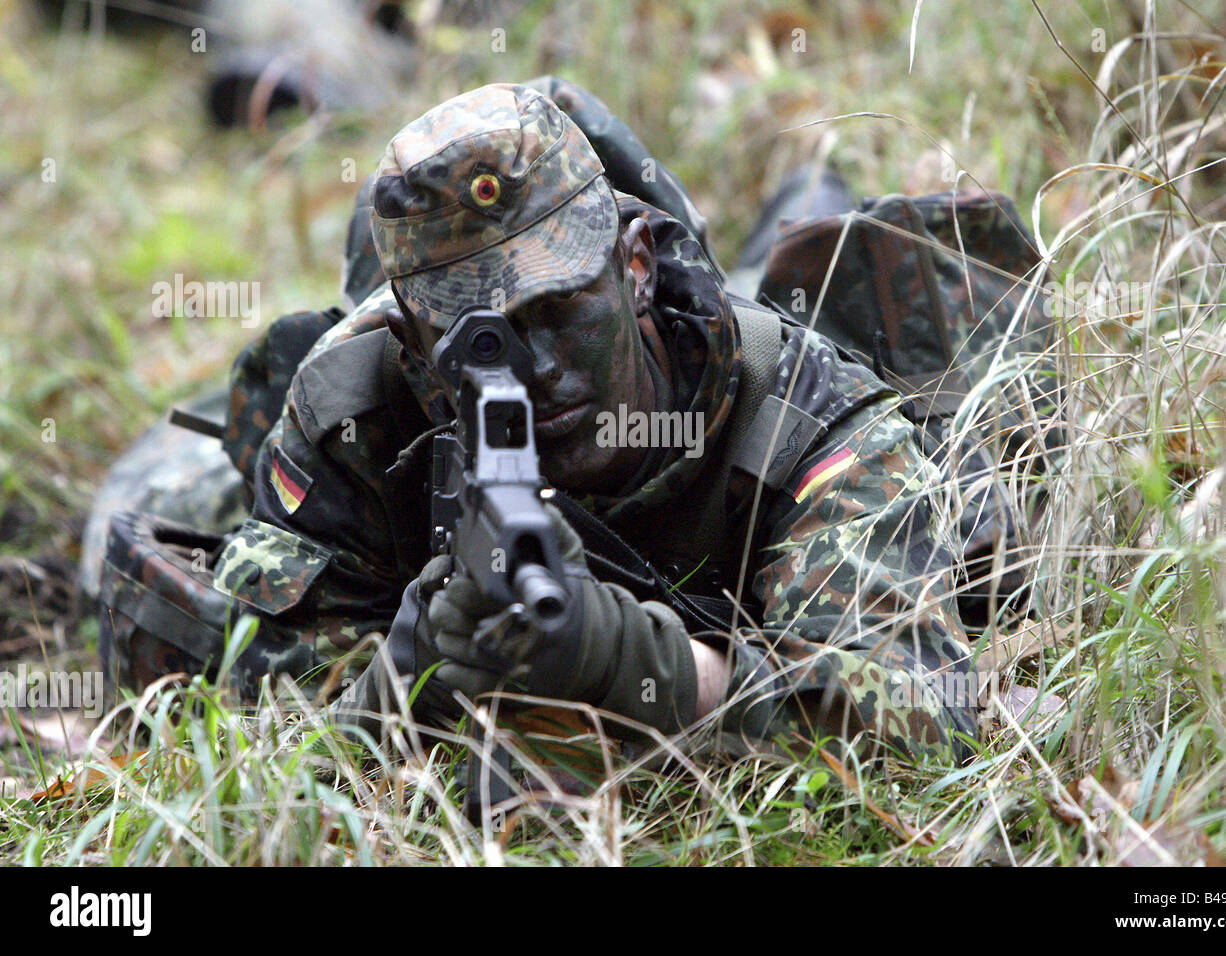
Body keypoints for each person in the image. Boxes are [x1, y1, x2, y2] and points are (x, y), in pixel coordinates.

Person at [102, 81, 990, 762]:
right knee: (131, 513)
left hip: (717, 327)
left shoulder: (807, 419)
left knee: (805, 269)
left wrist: (651, 671)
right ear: (409, 337)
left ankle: (806, 188)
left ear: (635, 263)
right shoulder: (351, 406)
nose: (540, 373)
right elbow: (252, 736)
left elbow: (918, 725)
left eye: (560, 310)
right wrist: (398, 681)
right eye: (482, 341)